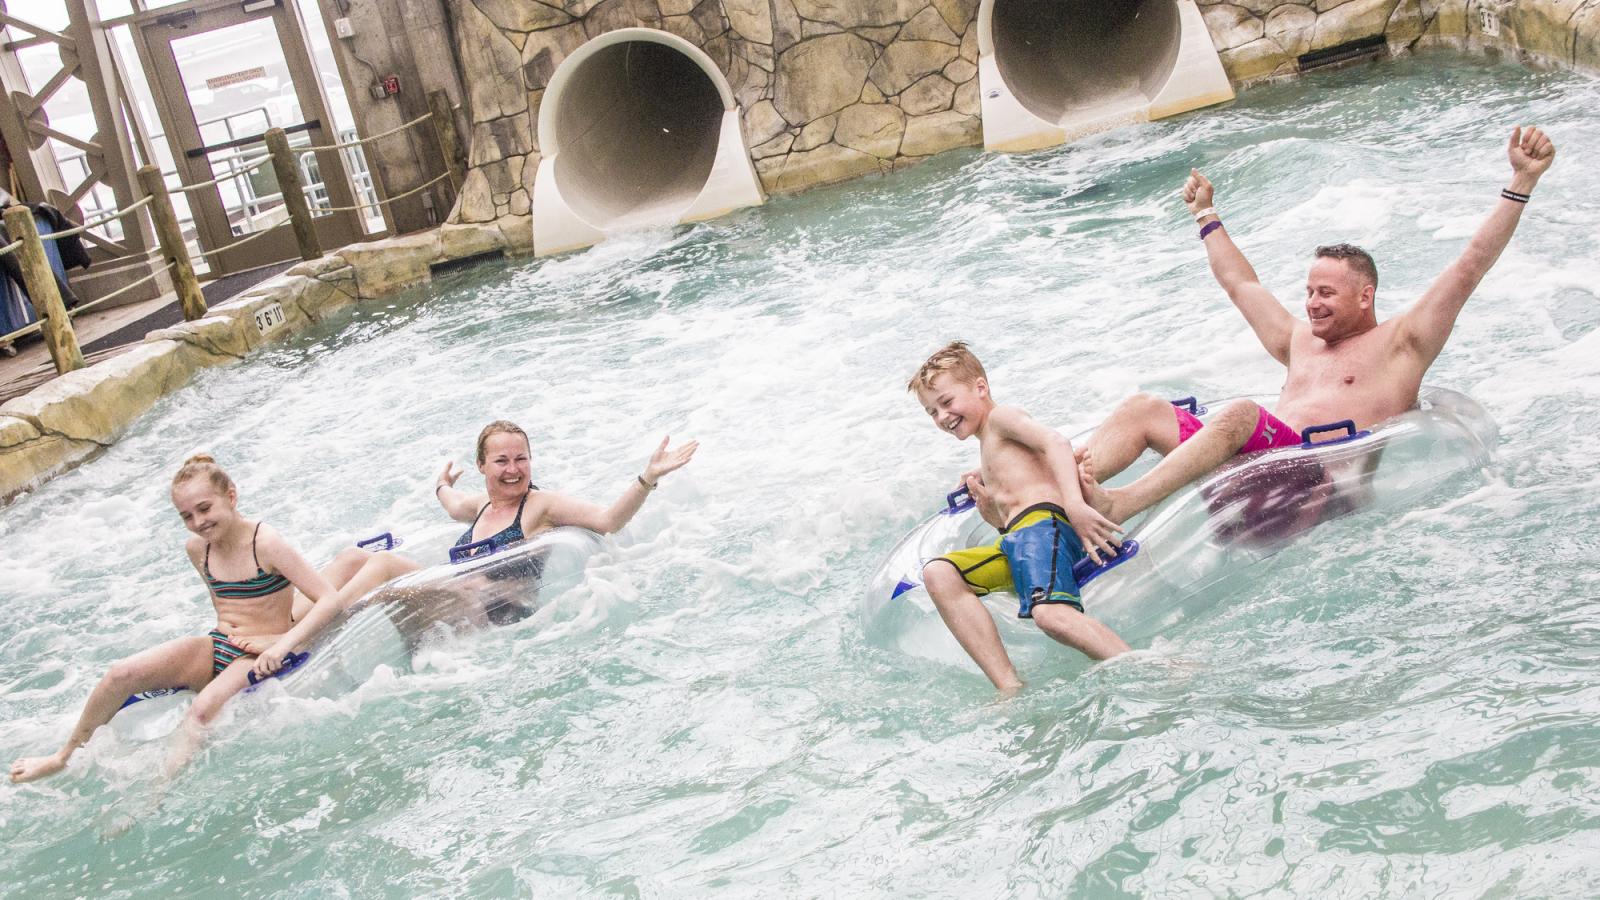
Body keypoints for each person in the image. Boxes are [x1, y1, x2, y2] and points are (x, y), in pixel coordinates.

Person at [1077, 125, 1557, 526]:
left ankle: (1121, 503)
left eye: (1326, 293)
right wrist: (1205, 213)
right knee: (1142, 408)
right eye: (1309, 292)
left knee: (1243, 414)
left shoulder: (1402, 344)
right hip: (1255, 469)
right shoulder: (1297, 341)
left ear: (1365, 296)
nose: (1311, 304)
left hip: (1320, 485)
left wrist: (1522, 181)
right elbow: (1241, 284)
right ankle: (1060, 497)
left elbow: (1470, 265)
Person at [9, 455, 344, 784]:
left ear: (231, 496)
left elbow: (329, 598)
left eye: (204, 508)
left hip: (255, 653)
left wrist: (280, 646)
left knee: (200, 711)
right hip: (219, 644)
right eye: (186, 516)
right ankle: (61, 757)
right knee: (120, 674)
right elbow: (225, 608)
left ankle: (157, 796)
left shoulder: (266, 544)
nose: (198, 522)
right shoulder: (198, 549)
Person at [290, 420, 698, 635]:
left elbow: (609, 520)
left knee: (381, 565)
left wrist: (648, 477)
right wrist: (441, 484)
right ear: (482, 466)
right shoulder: (481, 505)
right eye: (501, 461)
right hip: (454, 595)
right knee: (352, 557)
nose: (513, 469)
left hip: (492, 611)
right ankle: (285, 624)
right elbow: (452, 504)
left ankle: (305, 633)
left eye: (521, 459)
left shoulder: (538, 506)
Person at [910, 342, 1129, 695]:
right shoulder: (989, 443)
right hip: (1017, 541)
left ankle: (1142, 662)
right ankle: (1009, 686)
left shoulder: (1001, 418)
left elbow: (1055, 443)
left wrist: (1074, 505)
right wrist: (989, 493)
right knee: (939, 573)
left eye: (947, 402)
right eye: (931, 412)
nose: (942, 417)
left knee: (1050, 615)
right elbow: (1019, 485)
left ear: (980, 387)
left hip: (1044, 529)